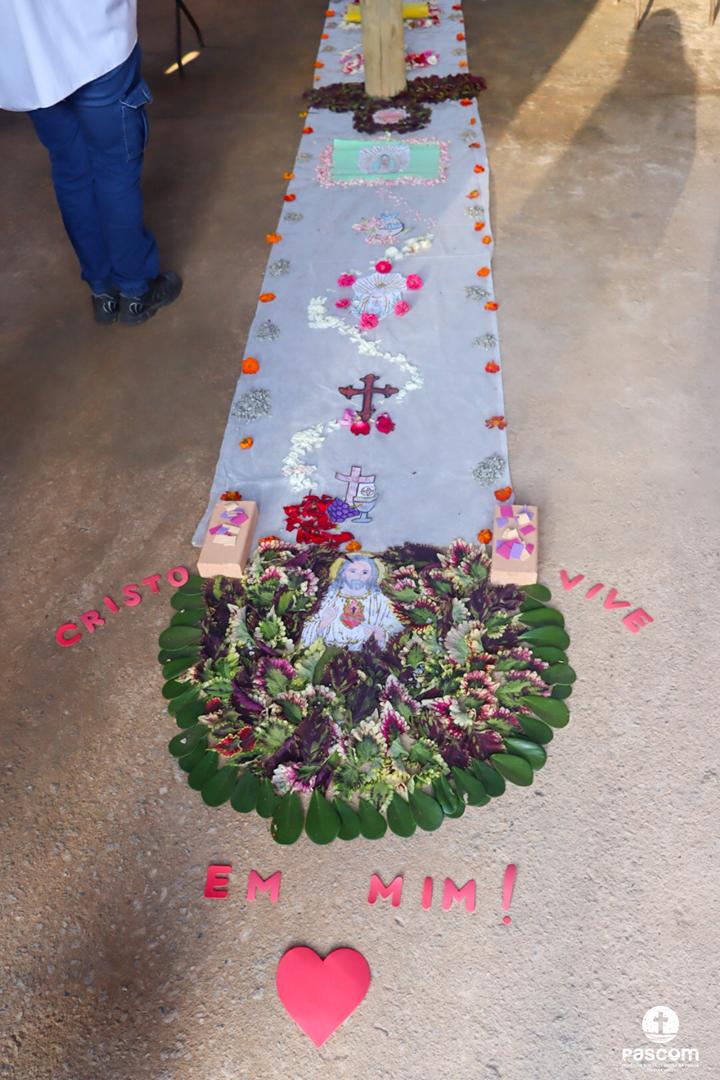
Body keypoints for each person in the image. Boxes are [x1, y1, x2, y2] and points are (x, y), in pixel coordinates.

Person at [0, 0, 182, 325]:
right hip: (93, 42)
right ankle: (135, 290)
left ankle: (103, 291)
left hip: (24, 55)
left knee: (71, 170)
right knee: (115, 170)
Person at [300, 554, 402, 652]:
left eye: (365, 572)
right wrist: (323, 622)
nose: (358, 576)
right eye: (353, 571)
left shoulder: (380, 601)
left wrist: (380, 634)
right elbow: (305, 634)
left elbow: (396, 629)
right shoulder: (329, 598)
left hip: (364, 656)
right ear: (343, 572)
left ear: (372, 575)